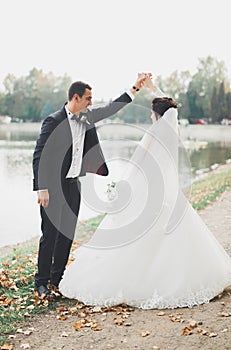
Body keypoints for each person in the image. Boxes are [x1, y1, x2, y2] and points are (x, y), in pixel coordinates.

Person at [59, 77, 231, 309]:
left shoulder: (154, 134)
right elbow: (170, 108)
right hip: (169, 191)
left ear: (157, 115)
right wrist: (152, 88)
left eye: (152, 113)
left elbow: (137, 165)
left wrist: (123, 188)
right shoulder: (172, 129)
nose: (151, 116)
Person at [32, 73, 150, 299]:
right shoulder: (53, 121)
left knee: (66, 234)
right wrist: (42, 187)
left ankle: (58, 279)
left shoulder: (87, 117)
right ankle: (41, 282)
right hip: (53, 187)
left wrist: (134, 88)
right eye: (88, 98)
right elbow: (40, 156)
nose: (91, 102)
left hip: (73, 185)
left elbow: (111, 108)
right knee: (50, 235)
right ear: (75, 98)